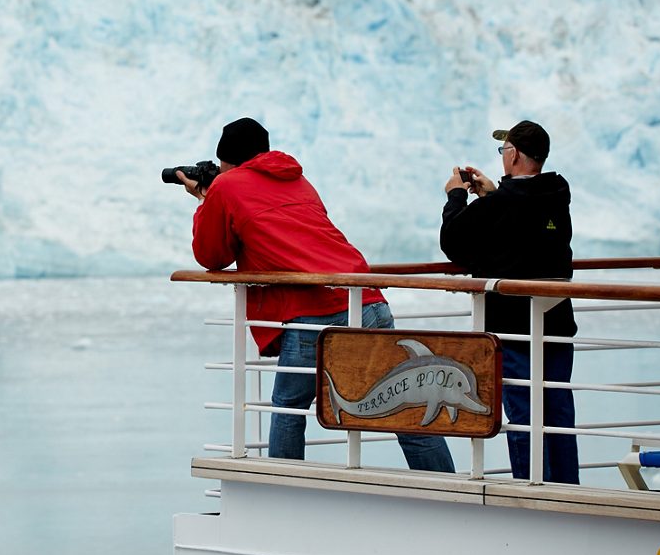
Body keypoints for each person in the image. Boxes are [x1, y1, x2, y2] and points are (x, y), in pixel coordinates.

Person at [179, 117, 455, 472]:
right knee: (406, 406)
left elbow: (212, 255)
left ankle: (284, 495)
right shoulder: (297, 179)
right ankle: (444, 483)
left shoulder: (227, 185)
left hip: (316, 311)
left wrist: (205, 199)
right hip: (366, 297)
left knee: (287, 407)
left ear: (227, 161)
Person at [439, 120, 579, 484]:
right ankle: (566, 487)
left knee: (524, 414)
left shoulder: (501, 205)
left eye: (504, 151)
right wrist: (491, 194)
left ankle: (532, 490)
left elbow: (454, 241)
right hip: (557, 325)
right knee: (557, 411)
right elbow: (521, 230)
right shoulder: (556, 195)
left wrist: (456, 195)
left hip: (512, 328)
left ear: (514, 154)